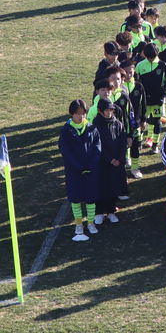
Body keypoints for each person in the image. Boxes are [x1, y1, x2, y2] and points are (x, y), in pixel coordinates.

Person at [60, 100, 102, 242]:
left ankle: (90, 222)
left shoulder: (91, 128)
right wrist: (78, 166)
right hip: (74, 171)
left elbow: (97, 147)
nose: (81, 116)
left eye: (83, 113)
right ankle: (79, 224)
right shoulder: (66, 130)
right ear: (72, 114)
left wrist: (91, 165)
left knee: (91, 198)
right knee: (75, 198)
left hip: (90, 170)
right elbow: (65, 151)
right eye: (78, 113)